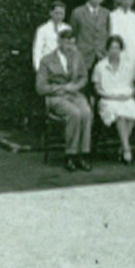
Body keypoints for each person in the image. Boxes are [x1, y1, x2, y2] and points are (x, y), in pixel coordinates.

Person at [36, 27, 92, 171]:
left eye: (73, 44)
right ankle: (70, 155)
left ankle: (83, 154)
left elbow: (84, 77)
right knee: (74, 113)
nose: (70, 48)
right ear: (59, 42)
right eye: (67, 44)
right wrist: (61, 89)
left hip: (74, 94)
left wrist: (75, 87)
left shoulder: (76, 56)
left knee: (86, 112)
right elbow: (41, 87)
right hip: (56, 97)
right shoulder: (46, 60)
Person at [91, 34, 135, 164]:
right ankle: (126, 149)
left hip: (125, 97)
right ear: (107, 50)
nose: (114, 51)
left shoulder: (128, 65)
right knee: (120, 115)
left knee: (132, 111)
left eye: (117, 48)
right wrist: (109, 95)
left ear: (121, 50)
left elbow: (132, 85)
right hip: (108, 99)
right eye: (112, 48)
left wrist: (128, 94)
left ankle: (123, 147)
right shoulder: (100, 66)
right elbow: (97, 88)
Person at [70, 0, 110, 69]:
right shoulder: (78, 12)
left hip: (101, 55)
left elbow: (108, 32)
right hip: (83, 55)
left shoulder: (106, 13)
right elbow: (73, 34)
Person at [108, 0, 135, 77]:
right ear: (119, 0)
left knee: (130, 75)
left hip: (131, 51)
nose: (127, 2)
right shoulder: (112, 15)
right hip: (116, 50)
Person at [31, 0, 72, 72]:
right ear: (51, 13)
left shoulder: (67, 28)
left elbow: (70, 49)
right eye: (57, 13)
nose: (59, 16)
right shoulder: (42, 29)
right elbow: (37, 50)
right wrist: (38, 69)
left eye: (61, 14)